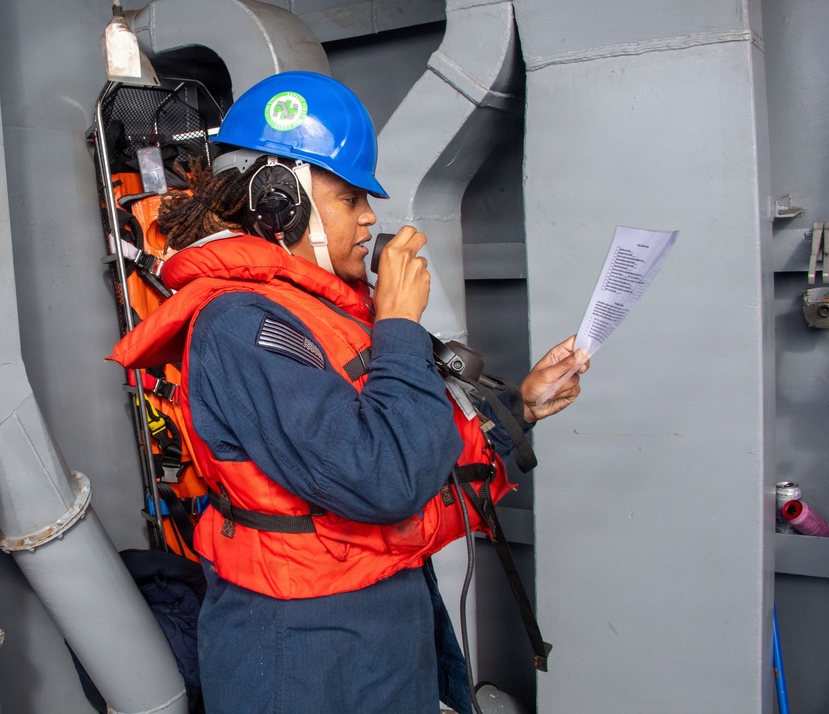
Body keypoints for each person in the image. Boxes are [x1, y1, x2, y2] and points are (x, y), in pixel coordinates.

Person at [112, 71, 588, 714]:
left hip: (376, 620)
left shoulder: (318, 313)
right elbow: (384, 476)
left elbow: (420, 449)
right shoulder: (242, 325)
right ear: (277, 201)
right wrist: (396, 325)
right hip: (307, 649)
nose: (369, 218)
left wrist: (521, 407)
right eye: (348, 199)